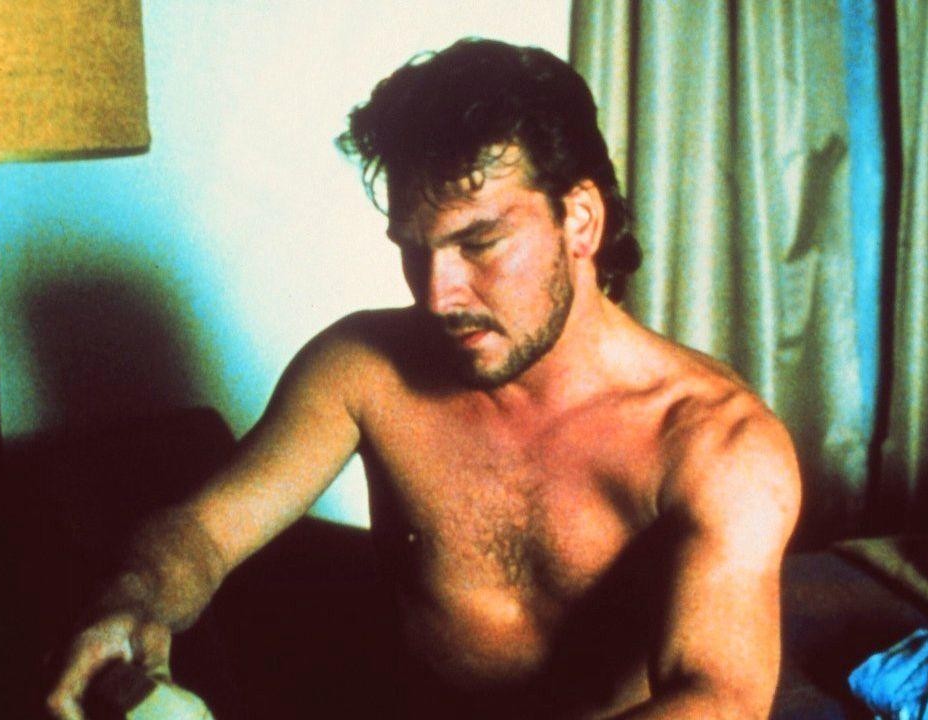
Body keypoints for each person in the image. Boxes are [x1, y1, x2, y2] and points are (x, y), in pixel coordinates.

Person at [47, 38, 800, 720]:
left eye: (480, 242)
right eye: (415, 249)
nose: (438, 295)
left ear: (580, 221)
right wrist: (131, 604)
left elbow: (719, 697)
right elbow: (204, 531)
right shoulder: (363, 369)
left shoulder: (719, 445)